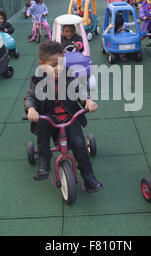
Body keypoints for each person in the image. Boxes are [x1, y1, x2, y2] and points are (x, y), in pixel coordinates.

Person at [24, 40, 103, 193]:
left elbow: (79, 89)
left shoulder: (68, 74)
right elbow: (30, 96)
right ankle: (44, 163)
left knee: (79, 144)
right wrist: (31, 109)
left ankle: (88, 177)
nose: (59, 68)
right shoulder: (37, 80)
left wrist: (87, 100)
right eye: (53, 65)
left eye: (61, 63)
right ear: (42, 65)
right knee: (42, 125)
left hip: (69, 117)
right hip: (50, 119)